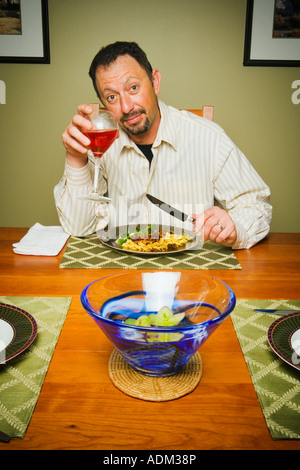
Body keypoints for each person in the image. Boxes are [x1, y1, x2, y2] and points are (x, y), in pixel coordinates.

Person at [54, 41, 272, 249]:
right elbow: (78, 227)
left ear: (155, 81)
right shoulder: (100, 142)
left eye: (133, 87)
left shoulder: (209, 137)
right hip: (121, 271)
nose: (127, 106)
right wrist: (75, 158)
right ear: (103, 103)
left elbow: (256, 205)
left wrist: (235, 227)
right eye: (112, 97)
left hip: (191, 273)